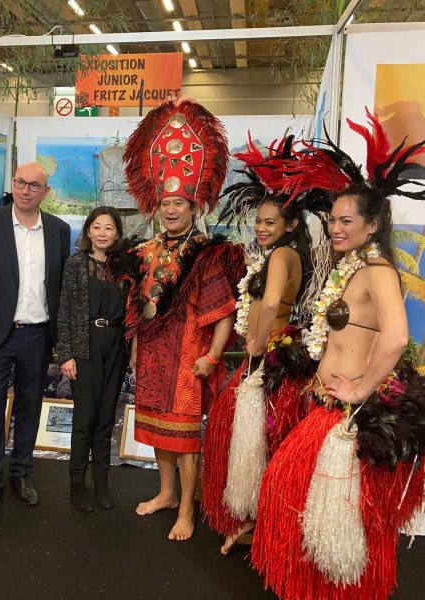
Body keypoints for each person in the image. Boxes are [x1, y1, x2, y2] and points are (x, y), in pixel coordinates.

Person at [251, 109, 425, 599]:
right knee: (299, 500)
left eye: (346, 221)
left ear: (372, 225)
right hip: (325, 403)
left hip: (348, 411)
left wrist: (360, 388)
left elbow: (397, 337)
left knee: (319, 502)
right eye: (333, 220)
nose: (336, 229)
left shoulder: (377, 271)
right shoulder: (351, 268)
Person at [116, 99, 244, 541]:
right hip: (153, 357)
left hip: (189, 357)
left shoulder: (206, 255)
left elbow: (223, 312)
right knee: (156, 432)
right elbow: (138, 311)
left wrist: (211, 356)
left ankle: (187, 509)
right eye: (165, 202)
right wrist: (135, 351)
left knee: (185, 439)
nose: (171, 210)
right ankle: (166, 494)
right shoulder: (145, 252)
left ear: (194, 208)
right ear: (156, 206)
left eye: (179, 203)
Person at [200, 134, 327, 554]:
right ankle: (248, 516)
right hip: (269, 355)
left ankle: (255, 520)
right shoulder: (282, 253)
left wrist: (255, 346)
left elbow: (271, 300)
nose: (261, 227)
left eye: (270, 222)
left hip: (269, 359)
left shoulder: (279, 257)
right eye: (258, 221)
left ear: (291, 225)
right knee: (248, 437)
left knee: (252, 436)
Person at [0, 162, 71, 516]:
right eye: (21, 182)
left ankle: (21, 475)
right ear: (13, 183)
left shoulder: (58, 230)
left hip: (39, 336)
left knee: (29, 408)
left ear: (45, 192)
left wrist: (60, 338)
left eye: (34, 185)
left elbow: (59, 287)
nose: (26, 190)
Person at [57, 206, 127, 512]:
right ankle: (76, 484)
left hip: (116, 345)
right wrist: (66, 354)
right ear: (88, 231)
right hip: (85, 346)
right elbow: (65, 311)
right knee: (85, 417)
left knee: (106, 417)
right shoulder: (75, 264)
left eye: (108, 228)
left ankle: (102, 483)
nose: (102, 233)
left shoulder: (124, 267)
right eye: (96, 227)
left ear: (117, 233)